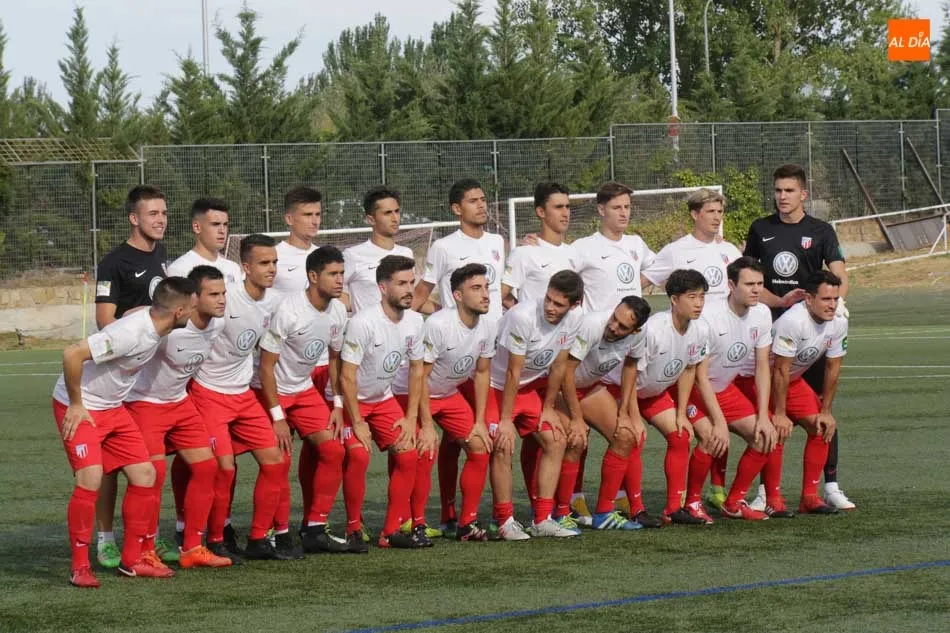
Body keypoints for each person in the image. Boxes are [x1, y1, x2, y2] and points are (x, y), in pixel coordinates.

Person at [53, 277, 195, 587]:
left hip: (113, 408)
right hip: (81, 406)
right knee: (90, 478)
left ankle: (133, 561)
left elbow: (145, 309)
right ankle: (80, 567)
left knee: (145, 475)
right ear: (178, 311)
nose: (195, 315)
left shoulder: (159, 324)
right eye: (193, 309)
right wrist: (77, 404)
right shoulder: (130, 334)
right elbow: (72, 354)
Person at [743, 163, 854, 511]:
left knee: (823, 409)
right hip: (770, 330)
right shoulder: (761, 228)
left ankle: (830, 485)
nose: (781, 197)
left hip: (814, 331)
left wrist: (836, 304)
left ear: (803, 194)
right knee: (772, 413)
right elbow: (748, 276)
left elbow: (839, 273)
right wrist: (778, 301)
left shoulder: (821, 230)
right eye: (777, 190)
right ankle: (766, 491)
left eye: (789, 191)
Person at [187, 234, 298, 561]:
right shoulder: (226, 299)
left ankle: (258, 538)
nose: (272, 269)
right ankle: (218, 538)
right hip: (209, 394)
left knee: (275, 461)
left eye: (275, 262)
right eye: (264, 263)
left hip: (245, 394)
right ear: (245, 267)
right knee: (224, 467)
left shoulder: (275, 302)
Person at [253, 246, 365, 554]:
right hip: (271, 390)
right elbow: (265, 367)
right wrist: (277, 416)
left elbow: (333, 359)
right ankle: (276, 533)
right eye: (333, 274)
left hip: (304, 391)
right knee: (281, 460)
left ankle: (315, 527)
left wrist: (338, 404)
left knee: (333, 449)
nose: (340, 280)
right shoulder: (288, 310)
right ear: (313, 276)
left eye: (342, 273)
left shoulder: (339, 311)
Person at [410, 178, 504, 536]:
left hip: (480, 357)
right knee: (435, 447)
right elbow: (422, 292)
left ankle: (472, 519)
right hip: (443, 364)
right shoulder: (444, 247)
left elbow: (504, 290)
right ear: (456, 209)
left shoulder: (497, 242)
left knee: (479, 440)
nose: (482, 206)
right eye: (473, 201)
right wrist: (423, 318)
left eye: (484, 200)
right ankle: (432, 517)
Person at [124, 266, 232, 568]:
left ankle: (192, 548)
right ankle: (145, 548)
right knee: (152, 478)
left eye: (224, 293)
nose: (222, 300)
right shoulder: (167, 327)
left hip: (180, 403)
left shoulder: (217, 325)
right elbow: (136, 321)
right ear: (193, 300)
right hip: (145, 404)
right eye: (214, 294)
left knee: (207, 467)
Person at [642, 187, 742, 510]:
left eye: (719, 212)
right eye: (710, 211)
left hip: (718, 350)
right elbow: (643, 281)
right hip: (683, 350)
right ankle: (689, 499)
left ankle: (714, 489)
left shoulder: (730, 252)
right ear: (695, 214)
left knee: (716, 425)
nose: (716, 218)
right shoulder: (675, 251)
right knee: (707, 427)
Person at [566, 181, 656, 521]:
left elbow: (654, 270)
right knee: (580, 436)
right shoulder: (583, 247)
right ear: (601, 209)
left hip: (619, 354)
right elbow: (560, 276)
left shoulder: (636, 245)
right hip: (588, 351)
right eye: (617, 207)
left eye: (628, 208)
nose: (624, 213)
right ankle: (573, 500)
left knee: (628, 431)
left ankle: (623, 500)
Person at [93, 184, 169, 569]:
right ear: (134, 218)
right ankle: (106, 539)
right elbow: (104, 322)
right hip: (119, 383)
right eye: (153, 214)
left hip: (152, 382)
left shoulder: (163, 258)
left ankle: (146, 540)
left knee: (148, 466)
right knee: (110, 468)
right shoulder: (114, 263)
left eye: (164, 213)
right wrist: (147, 315)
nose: (160, 220)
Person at [395, 263, 496, 542]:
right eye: (476, 288)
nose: (485, 294)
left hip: (449, 395)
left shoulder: (488, 325)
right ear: (457, 296)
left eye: (486, 287)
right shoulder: (439, 325)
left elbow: (483, 372)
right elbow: (420, 379)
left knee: (480, 446)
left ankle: (466, 524)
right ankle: (415, 523)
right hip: (412, 394)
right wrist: (427, 425)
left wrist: (478, 421)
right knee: (425, 450)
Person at [735, 270, 847, 516]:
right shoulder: (793, 322)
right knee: (776, 430)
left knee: (821, 427)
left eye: (835, 299)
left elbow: (833, 368)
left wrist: (826, 411)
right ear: (809, 299)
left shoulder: (839, 321)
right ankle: (772, 499)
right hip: (755, 379)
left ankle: (810, 497)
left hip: (790, 380)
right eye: (826, 299)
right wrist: (779, 413)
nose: (832, 305)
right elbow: (779, 371)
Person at [339, 255, 433, 549]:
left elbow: (418, 370)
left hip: (383, 400)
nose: (409, 289)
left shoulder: (416, 321)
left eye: (411, 282)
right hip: (351, 401)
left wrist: (410, 417)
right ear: (382, 287)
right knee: (358, 455)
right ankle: (354, 527)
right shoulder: (363, 323)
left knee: (408, 454)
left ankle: (390, 532)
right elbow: (347, 377)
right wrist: (357, 422)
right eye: (401, 283)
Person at [488, 270, 584, 539]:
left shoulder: (575, 319)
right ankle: (504, 520)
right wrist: (505, 420)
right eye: (549, 300)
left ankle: (542, 519)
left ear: (574, 305)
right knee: (502, 443)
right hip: (497, 388)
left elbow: (559, 365)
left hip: (528, 389)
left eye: (559, 304)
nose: (551, 308)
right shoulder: (522, 316)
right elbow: (511, 372)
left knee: (556, 440)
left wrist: (548, 407)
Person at [682, 257, 778, 522]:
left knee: (765, 436)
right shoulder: (709, 318)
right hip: (693, 389)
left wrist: (762, 415)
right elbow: (699, 376)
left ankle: (734, 502)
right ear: (731, 285)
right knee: (712, 437)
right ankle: (691, 503)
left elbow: (761, 368)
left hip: (723, 390)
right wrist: (720, 422)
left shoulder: (762, 314)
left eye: (760, 283)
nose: (756, 289)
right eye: (749, 284)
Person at [557, 296, 662, 530]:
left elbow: (631, 367)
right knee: (575, 440)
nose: (613, 327)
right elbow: (565, 372)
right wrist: (576, 418)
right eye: (614, 318)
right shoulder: (593, 324)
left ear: (635, 330)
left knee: (625, 437)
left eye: (623, 326)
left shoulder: (639, 336)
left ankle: (604, 513)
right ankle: (561, 512)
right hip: (558, 388)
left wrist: (625, 412)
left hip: (589, 388)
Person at [633, 269, 720, 525]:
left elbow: (689, 369)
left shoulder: (700, 329)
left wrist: (681, 413)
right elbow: (627, 376)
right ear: (673, 299)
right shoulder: (653, 330)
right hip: (625, 394)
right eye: (692, 297)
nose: (698, 303)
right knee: (632, 438)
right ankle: (635, 508)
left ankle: (673, 509)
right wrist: (630, 414)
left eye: (702, 297)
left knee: (682, 435)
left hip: (654, 394)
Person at [501, 182, 578, 308]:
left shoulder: (573, 252)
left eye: (567, 207)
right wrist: (522, 313)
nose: (565, 213)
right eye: (558, 207)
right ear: (541, 212)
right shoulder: (524, 253)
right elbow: (500, 294)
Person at [342, 186, 415, 314]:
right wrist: (356, 306)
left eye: (397, 211)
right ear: (371, 219)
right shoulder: (352, 255)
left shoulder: (406, 253)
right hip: (368, 333)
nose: (395, 218)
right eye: (387, 213)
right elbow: (330, 291)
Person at [166, 198, 242, 283]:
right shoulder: (180, 269)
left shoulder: (233, 268)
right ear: (197, 227)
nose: (222, 230)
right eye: (215, 224)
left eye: (225, 224)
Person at [271, 186, 324, 294]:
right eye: (308, 215)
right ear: (289, 219)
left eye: (317, 214)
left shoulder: (324, 256)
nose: (315, 221)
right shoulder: (273, 255)